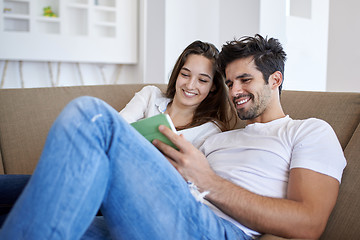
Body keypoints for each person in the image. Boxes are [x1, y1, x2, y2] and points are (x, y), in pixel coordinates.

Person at [0, 34, 346, 240]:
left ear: (275, 80)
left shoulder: (309, 130)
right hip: (163, 208)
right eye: (228, 82)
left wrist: (206, 180)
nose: (235, 90)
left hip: (212, 230)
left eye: (245, 79)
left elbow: (309, 223)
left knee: (92, 116)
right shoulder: (221, 139)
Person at [0, 40, 237, 227]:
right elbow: (114, 127)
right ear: (177, 73)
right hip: (101, 174)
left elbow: (192, 183)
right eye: (185, 74)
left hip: (135, 196)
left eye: (202, 80)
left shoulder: (210, 131)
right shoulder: (151, 96)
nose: (190, 85)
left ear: (213, 87)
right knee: (18, 193)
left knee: (42, 200)